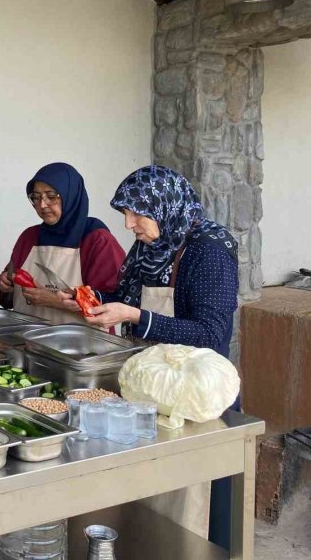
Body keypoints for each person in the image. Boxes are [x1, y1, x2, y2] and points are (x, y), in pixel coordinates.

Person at [75, 164, 239, 549]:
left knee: (188, 517)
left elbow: (209, 335)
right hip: (150, 391)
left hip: (194, 403)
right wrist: (96, 300)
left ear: (165, 206)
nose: (129, 223)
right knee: (149, 511)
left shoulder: (208, 251)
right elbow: (130, 299)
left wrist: (136, 318)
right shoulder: (152, 246)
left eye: (137, 213)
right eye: (124, 214)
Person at [0, 162, 125, 325]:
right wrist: (5, 286)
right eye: (36, 197)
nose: (42, 205)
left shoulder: (97, 240)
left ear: (70, 195)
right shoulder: (29, 237)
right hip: (27, 343)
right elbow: (8, 299)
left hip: (85, 347)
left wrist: (55, 301)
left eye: (51, 196)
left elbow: (114, 305)